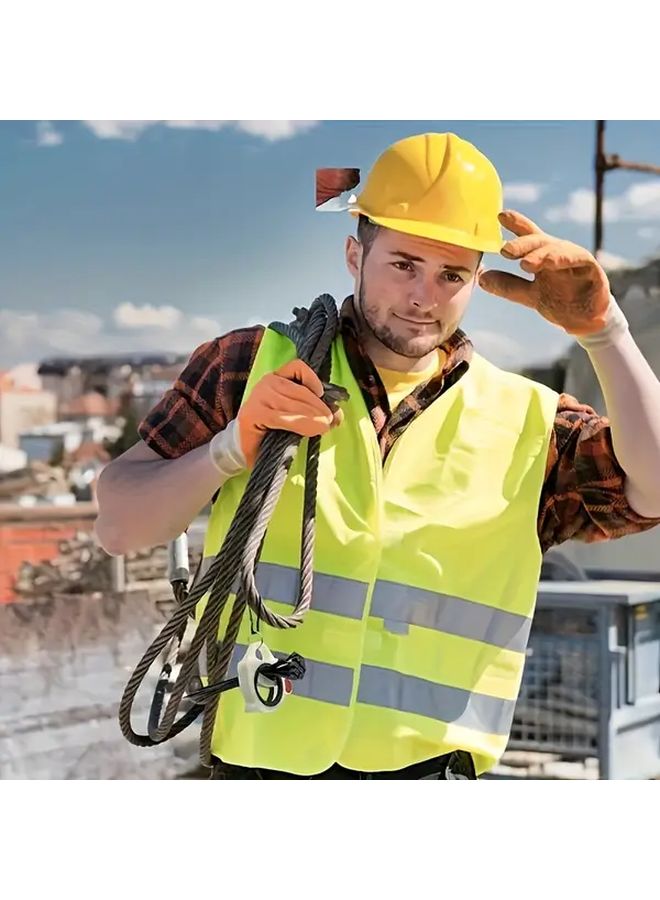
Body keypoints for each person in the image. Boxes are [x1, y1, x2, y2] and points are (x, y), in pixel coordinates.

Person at [94, 132, 660, 780]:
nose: (423, 296)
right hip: (258, 766)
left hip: (429, 775)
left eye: (451, 274)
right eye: (403, 264)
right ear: (353, 253)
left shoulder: (529, 422)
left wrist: (604, 331)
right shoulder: (251, 367)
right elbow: (120, 525)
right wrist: (231, 448)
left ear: (478, 278)